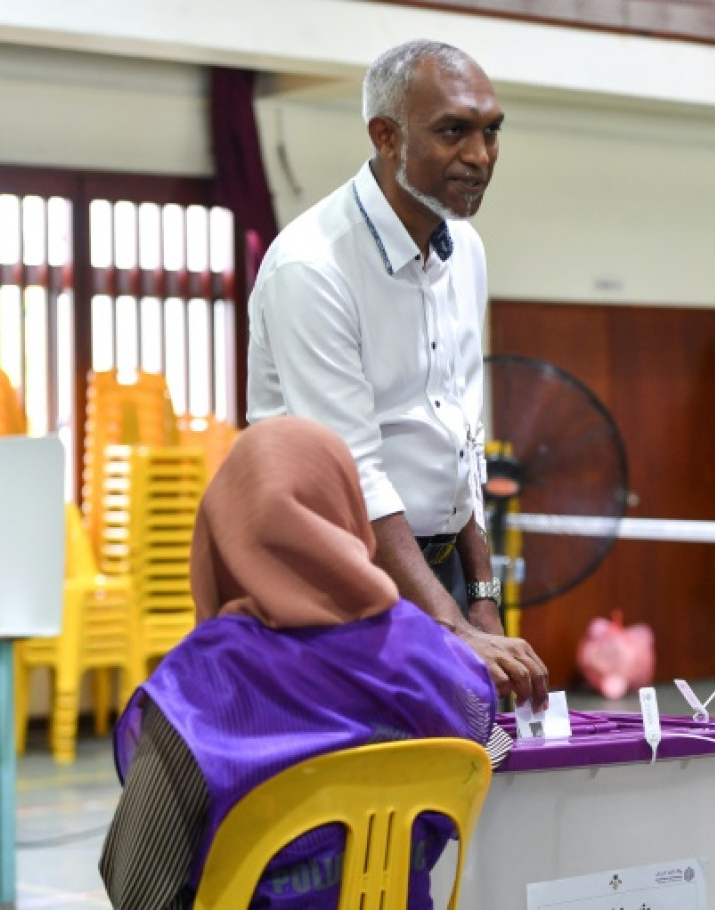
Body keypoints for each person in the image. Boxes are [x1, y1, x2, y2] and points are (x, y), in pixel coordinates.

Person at [245, 39, 547, 708]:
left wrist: (482, 600)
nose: (480, 156)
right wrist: (446, 624)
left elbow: (464, 437)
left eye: (491, 131)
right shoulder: (313, 266)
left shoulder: (463, 249)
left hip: (427, 569)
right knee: (359, 793)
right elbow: (356, 475)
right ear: (385, 136)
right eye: (453, 132)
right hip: (329, 581)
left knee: (459, 785)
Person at [99, 417, 507, 909]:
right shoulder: (428, 650)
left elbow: (136, 887)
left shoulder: (200, 687)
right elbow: (485, 753)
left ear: (221, 528)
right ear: (351, 514)